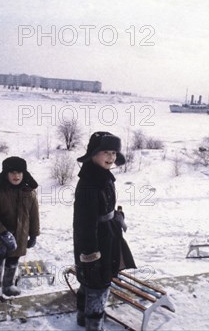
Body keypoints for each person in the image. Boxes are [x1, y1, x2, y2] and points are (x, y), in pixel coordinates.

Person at [73, 131, 136, 330]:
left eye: (114, 153)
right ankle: (94, 324)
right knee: (97, 284)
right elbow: (85, 224)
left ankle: (83, 318)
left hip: (106, 235)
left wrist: (114, 217)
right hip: (96, 242)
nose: (111, 157)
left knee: (88, 283)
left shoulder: (100, 175)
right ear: (93, 153)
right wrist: (91, 255)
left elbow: (102, 210)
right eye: (106, 152)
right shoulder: (90, 184)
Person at [0, 156, 40, 303]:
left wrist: (33, 235)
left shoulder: (30, 193)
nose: (16, 176)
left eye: (20, 173)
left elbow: (34, 216)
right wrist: (3, 233)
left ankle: (8, 285)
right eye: (12, 172)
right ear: (6, 174)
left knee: (13, 260)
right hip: (0, 237)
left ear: (24, 174)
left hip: (20, 235)